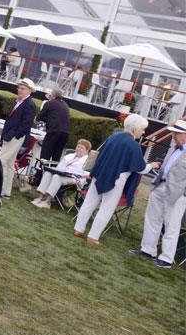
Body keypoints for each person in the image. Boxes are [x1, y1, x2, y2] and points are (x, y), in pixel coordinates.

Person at [74, 114, 158, 246]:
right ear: (136, 128)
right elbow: (140, 168)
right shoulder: (133, 145)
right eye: (142, 129)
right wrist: (152, 165)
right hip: (117, 179)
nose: (143, 132)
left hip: (100, 174)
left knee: (89, 202)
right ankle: (93, 237)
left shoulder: (113, 137)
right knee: (106, 208)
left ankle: (78, 229)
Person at [130, 118, 186, 268]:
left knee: (171, 225)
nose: (174, 136)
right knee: (152, 219)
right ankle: (148, 249)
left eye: (177, 134)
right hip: (160, 186)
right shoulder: (175, 148)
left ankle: (166, 258)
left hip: (177, 194)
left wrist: (183, 193)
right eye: (174, 133)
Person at [0, 78, 38, 203]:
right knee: (9, 164)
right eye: (19, 87)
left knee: (2, 161)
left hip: (15, 137)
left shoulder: (29, 104)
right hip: (11, 136)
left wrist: (14, 135)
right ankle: (5, 192)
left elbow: (26, 125)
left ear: (30, 90)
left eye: (23, 88)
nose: (19, 90)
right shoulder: (21, 101)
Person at [32, 139, 91, 208]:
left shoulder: (87, 161)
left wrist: (71, 173)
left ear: (87, 150)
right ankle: (40, 197)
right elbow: (59, 167)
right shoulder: (69, 156)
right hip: (62, 174)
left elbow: (87, 174)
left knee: (56, 177)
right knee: (48, 173)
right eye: (78, 146)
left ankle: (47, 201)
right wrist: (57, 170)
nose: (78, 149)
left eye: (81, 148)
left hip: (75, 179)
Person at [36, 87, 71, 164]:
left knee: (45, 155)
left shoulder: (50, 103)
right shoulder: (65, 105)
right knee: (56, 157)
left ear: (53, 95)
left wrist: (37, 120)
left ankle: (40, 174)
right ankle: (52, 173)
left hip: (54, 131)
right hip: (65, 133)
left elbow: (39, 117)